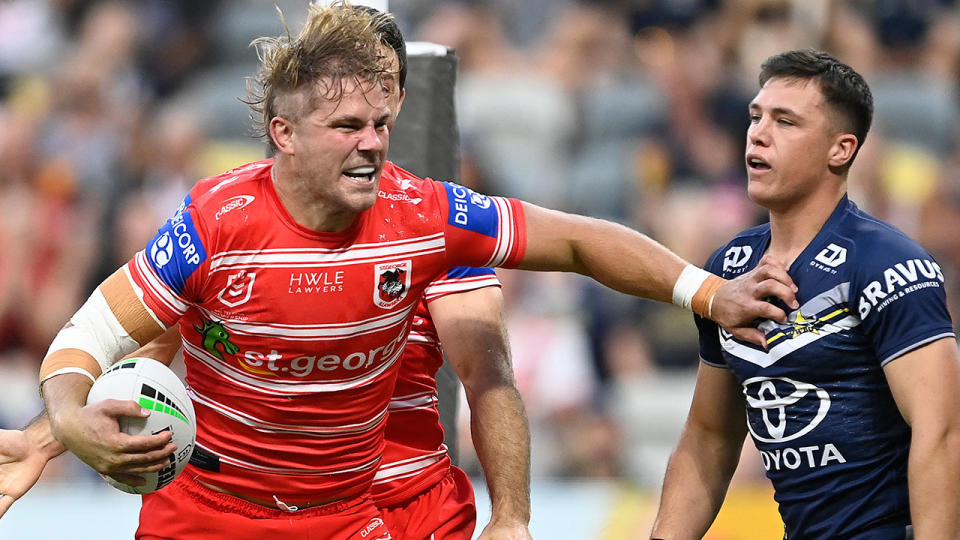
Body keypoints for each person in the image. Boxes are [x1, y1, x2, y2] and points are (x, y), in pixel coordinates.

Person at [34, 4, 796, 539]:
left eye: (381, 124)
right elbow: (93, 333)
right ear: (283, 135)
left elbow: (574, 244)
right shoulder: (215, 221)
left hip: (352, 515)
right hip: (208, 512)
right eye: (346, 127)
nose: (372, 144)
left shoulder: (423, 214)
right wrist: (62, 425)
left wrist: (707, 291)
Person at [651, 49, 960, 539]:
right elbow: (708, 438)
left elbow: (942, 433)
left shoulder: (891, 263)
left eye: (785, 121)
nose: (758, 132)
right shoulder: (730, 268)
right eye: (756, 116)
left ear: (841, 149)